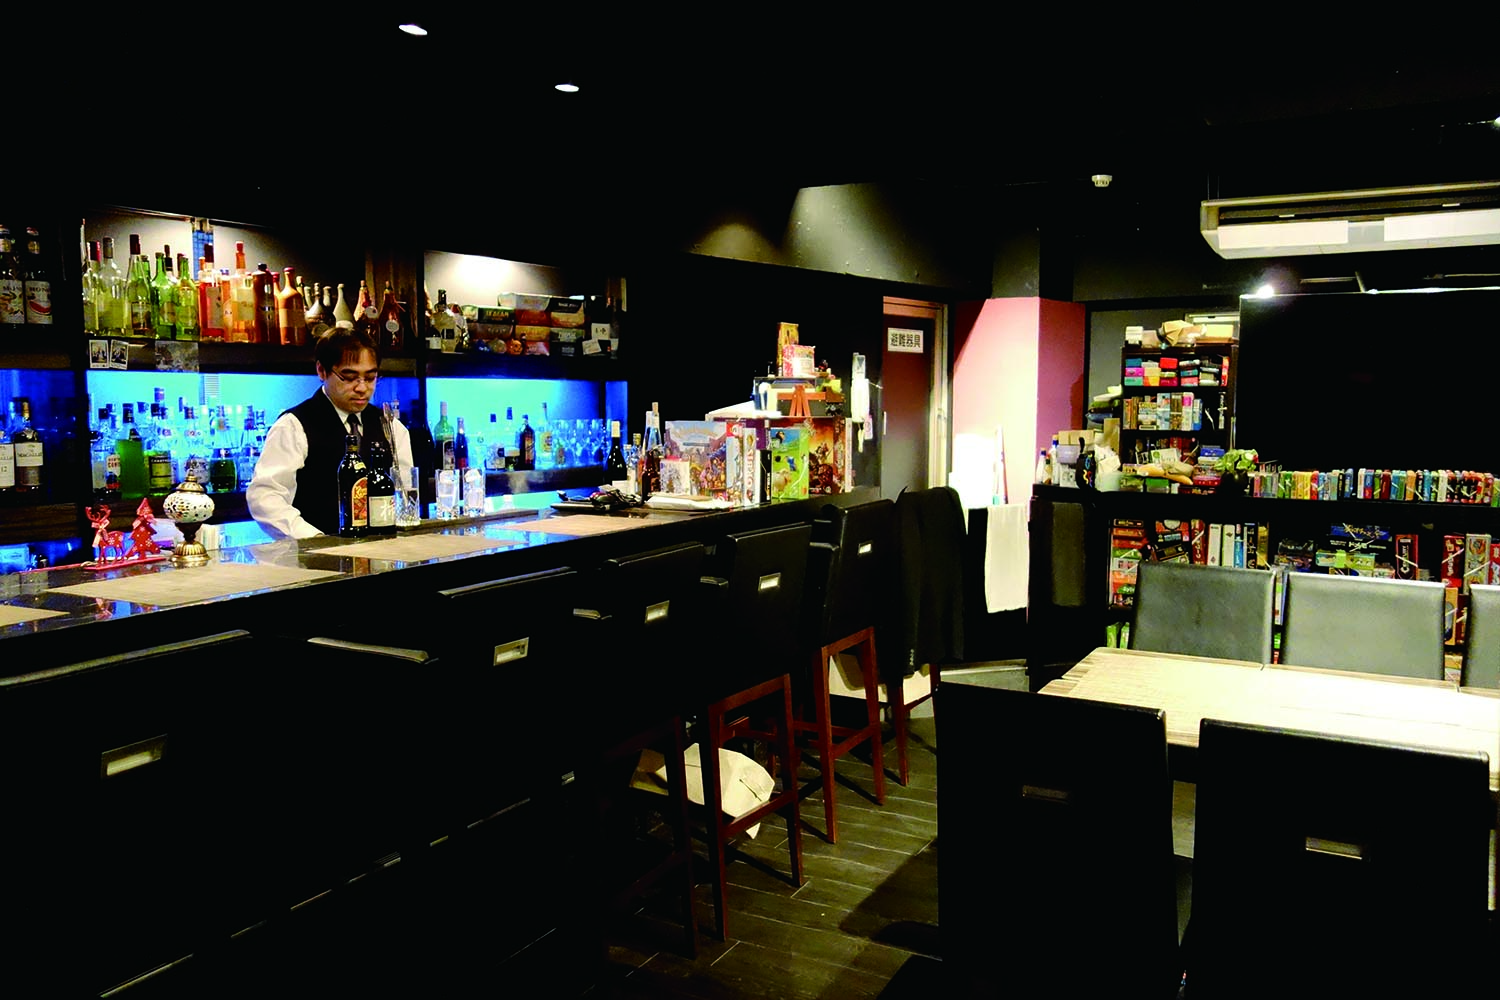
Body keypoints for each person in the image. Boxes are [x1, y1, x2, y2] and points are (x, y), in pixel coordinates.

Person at [247, 326, 413, 539]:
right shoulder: (293, 426)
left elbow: (404, 490)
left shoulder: (390, 426)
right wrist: (315, 540)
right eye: (349, 377)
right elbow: (266, 497)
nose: (362, 388)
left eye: (370, 377)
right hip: (318, 554)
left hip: (385, 551)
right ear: (321, 371)